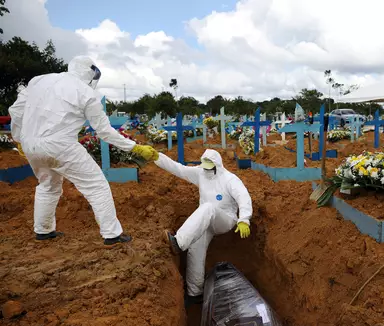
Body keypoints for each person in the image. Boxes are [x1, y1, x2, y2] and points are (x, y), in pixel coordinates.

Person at [8, 56, 159, 245]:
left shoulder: (38, 80)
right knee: (97, 186)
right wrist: (133, 147)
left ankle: (43, 230)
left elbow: (15, 110)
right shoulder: (86, 93)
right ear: (90, 72)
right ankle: (112, 234)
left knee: (47, 185)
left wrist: (20, 139)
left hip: (31, 145)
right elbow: (104, 131)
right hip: (61, 145)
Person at [158, 149, 252, 306]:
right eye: (204, 166)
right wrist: (157, 157)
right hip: (205, 221)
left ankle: (179, 243)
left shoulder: (230, 179)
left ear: (217, 166)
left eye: (209, 167)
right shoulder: (200, 173)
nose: (206, 170)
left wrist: (244, 219)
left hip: (224, 219)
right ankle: (195, 294)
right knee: (195, 250)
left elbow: (244, 197)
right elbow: (178, 168)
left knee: (208, 207)